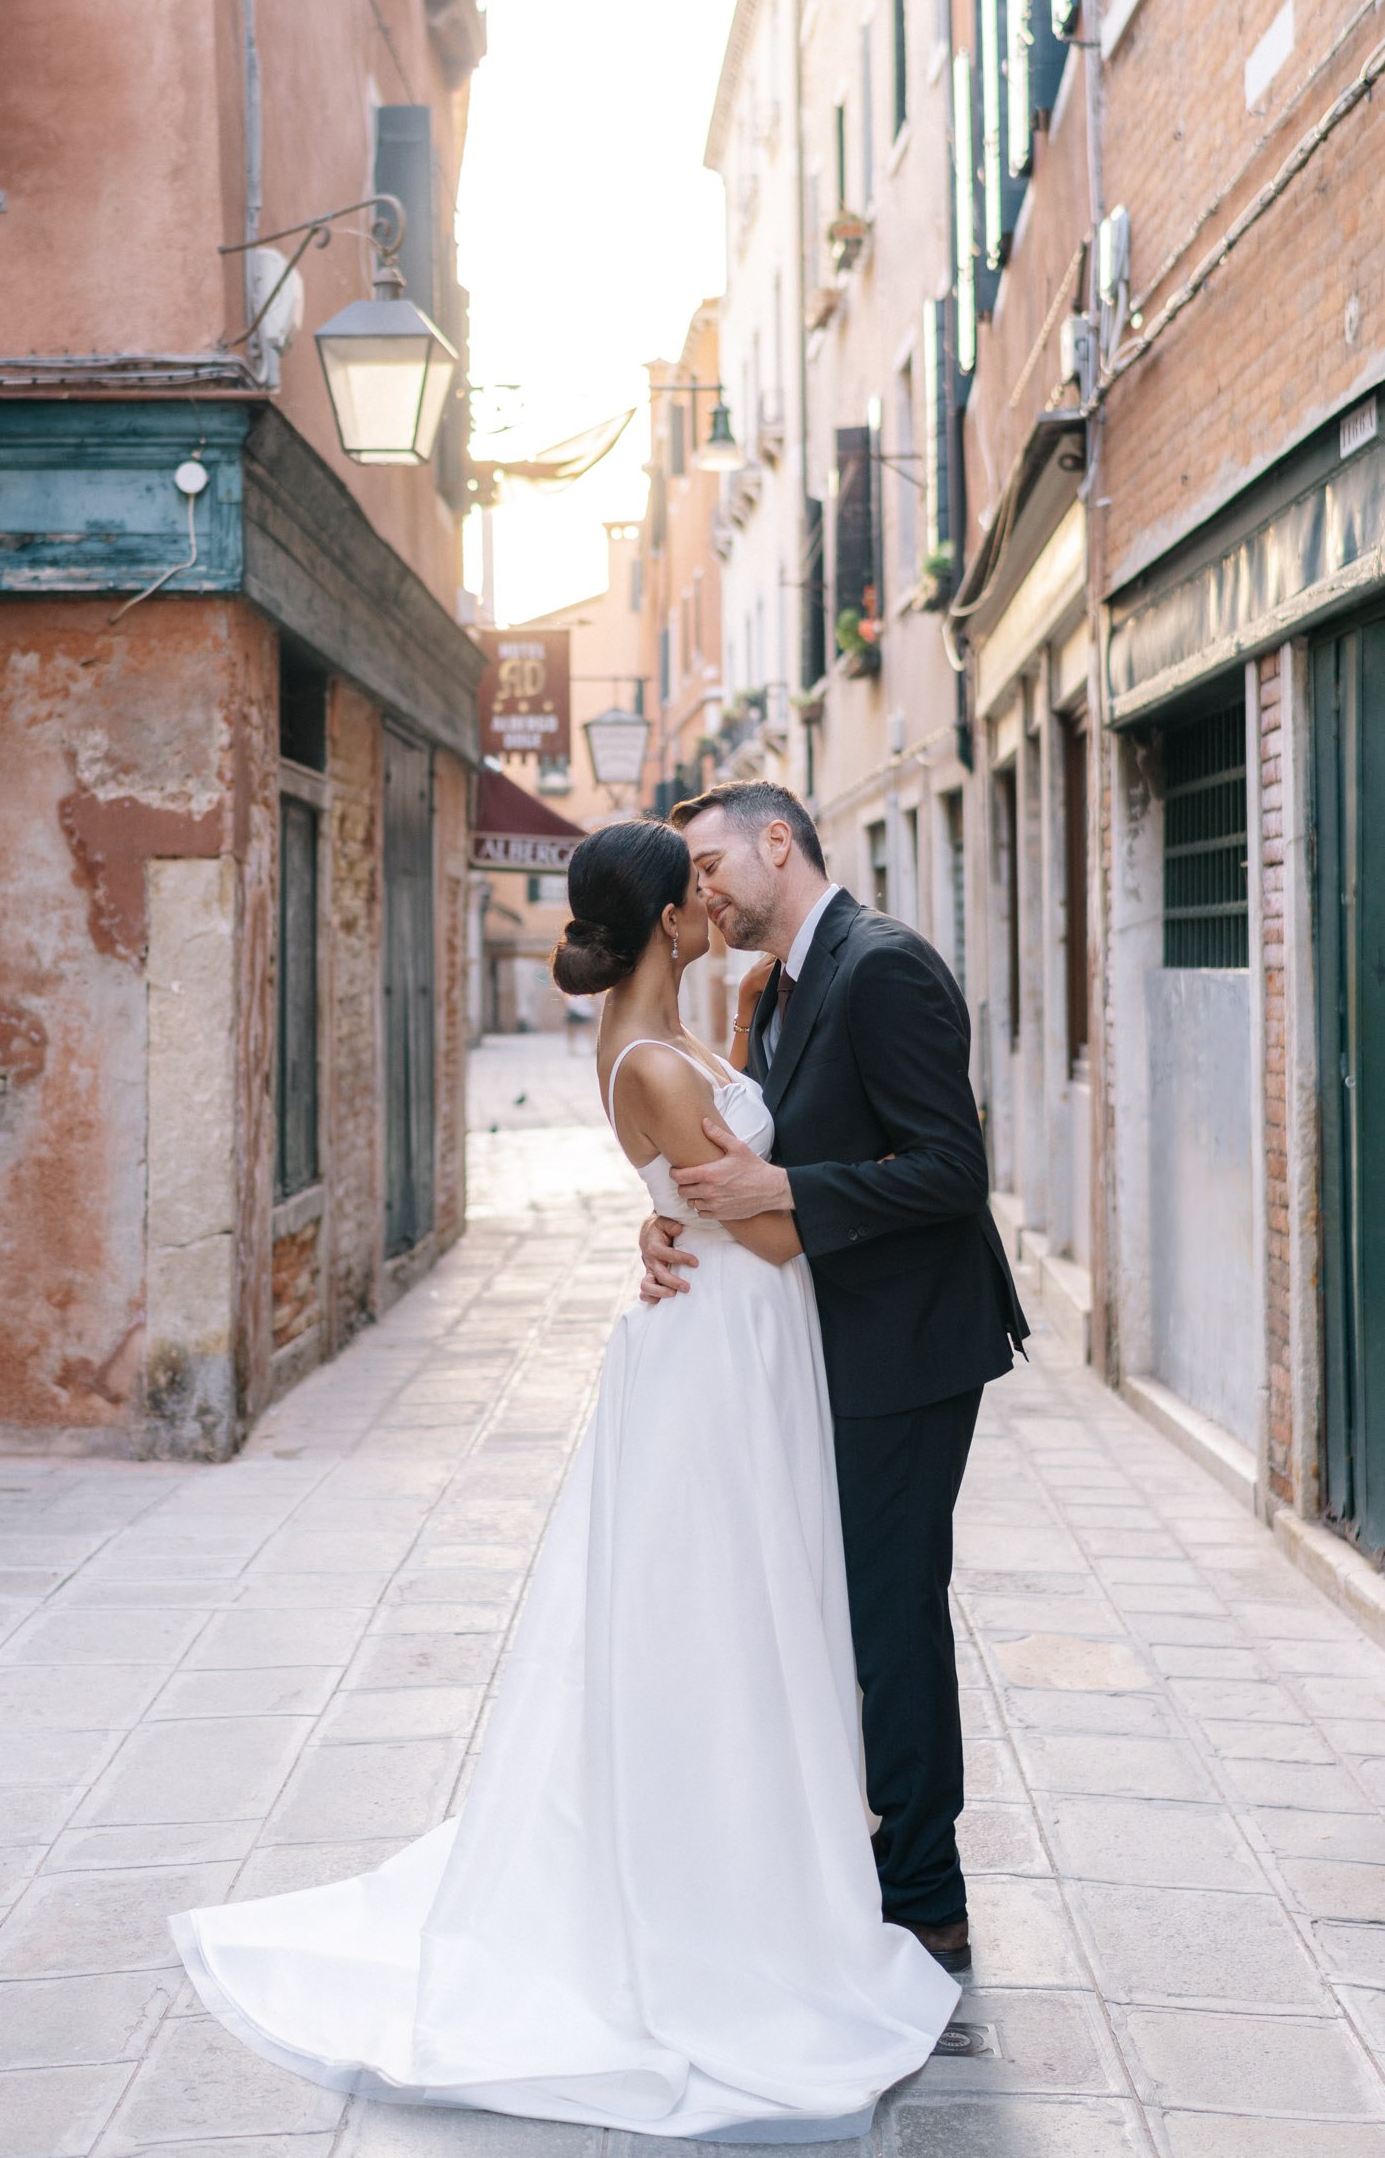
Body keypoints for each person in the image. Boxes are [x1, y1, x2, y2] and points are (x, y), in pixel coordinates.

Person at [170, 818, 958, 2142]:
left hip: (718, 1325)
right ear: (663, 917)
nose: (714, 896)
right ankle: (720, 1890)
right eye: (695, 884)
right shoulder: (652, 1058)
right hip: (725, 1334)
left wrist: (694, 1206)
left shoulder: (668, 1034)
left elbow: (718, 1190)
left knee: (733, 1608)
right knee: (721, 1612)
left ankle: (756, 1859)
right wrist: (723, 1204)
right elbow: (764, 1227)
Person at [641, 779, 1029, 1976]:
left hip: (909, 1347)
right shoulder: (775, 988)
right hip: (828, 1336)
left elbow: (953, 1171)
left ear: (779, 842)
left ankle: (926, 1897)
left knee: (887, 1611)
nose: (701, 889)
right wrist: (678, 1223)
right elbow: (757, 1152)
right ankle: (863, 1848)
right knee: (838, 1604)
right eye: (689, 877)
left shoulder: (882, 965)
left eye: (711, 864)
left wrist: (791, 1194)